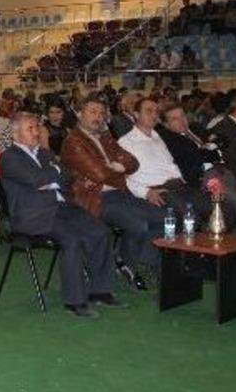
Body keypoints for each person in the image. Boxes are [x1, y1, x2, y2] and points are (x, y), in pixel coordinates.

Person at [0, 112, 124, 318]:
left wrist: (53, 175)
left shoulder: (44, 154)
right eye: (30, 129)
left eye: (36, 127)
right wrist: (54, 173)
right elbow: (35, 179)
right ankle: (75, 301)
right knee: (72, 239)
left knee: (100, 231)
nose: (36, 132)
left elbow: (68, 175)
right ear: (16, 135)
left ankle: (99, 291)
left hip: (62, 207)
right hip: (34, 215)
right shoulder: (8, 158)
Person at [60, 97, 162, 289]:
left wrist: (116, 168)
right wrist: (116, 170)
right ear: (79, 114)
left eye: (101, 113)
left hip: (119, 194)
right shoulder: (73, 141)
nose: (98, 117)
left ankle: (131, 259)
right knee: (138, 225)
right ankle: (128, 266)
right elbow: (100, 174)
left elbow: (133, 162)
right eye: (92, 112)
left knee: (163, 218)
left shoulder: (105, 136)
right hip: (95, 199)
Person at [158, 103, 236, 241]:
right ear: (166, 124)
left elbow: (223, 140)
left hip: (226, 172)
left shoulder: (195, 129)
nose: (182, 120)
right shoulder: (171, 140)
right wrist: (211, 148)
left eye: (182, 115)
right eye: (174, 119)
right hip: (208, 179)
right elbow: (197, 158)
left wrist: (211, 147)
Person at [117, 98, 214, 223]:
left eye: (156, 111)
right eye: (148, 111)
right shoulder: (126, 142)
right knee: (192, 219)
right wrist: (146, 192)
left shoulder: (158, 137)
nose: (154, 115)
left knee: (218, 208)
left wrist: (182, 179)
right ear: (136, 115)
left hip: (178, 186)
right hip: (158, 190)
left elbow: (170, 165)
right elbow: (121, 177)